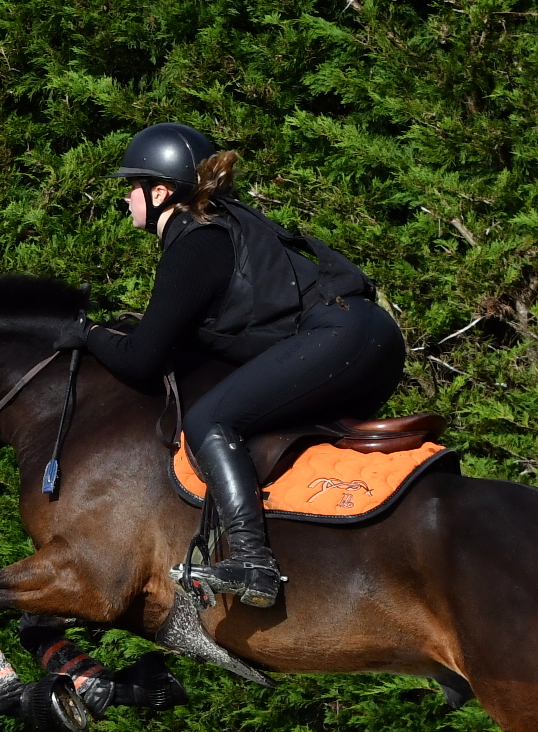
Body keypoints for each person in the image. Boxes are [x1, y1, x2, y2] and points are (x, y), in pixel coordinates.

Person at [71, 123, 407, 608]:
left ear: (160, 192)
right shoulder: (222, 227)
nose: (126, 198)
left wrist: (87, 333)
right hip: (369, 336)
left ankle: (253, 563)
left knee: (210, 419)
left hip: (339, 335)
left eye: (133, 186)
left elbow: (142, 361)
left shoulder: (196, 245)